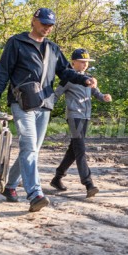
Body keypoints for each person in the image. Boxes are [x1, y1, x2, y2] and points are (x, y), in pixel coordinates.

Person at [0, 8, 98, 212]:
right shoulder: (17, 43)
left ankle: (10, 186)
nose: (47, 27)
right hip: (22, 103)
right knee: (29, 147)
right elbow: (2, 72)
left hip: (45, 105)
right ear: (33, 21)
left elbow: (65, 71)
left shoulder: (53, 49)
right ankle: (35, 193)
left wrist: (84, 79)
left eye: (51, 25)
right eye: (44, 23)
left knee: (32, 150)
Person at [50, 48, 112, 198]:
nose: (85, 65)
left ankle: (57, 178)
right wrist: (44, 108)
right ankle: (88, 184)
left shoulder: (89, 78)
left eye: (87, 62)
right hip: (74, 116)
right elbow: (55, 95)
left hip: (86, 117)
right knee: (80, 150)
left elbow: (95, 92)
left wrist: (103, 97)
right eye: (82, 62)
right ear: (73, 62)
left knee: (74, 149)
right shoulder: (68, 78)